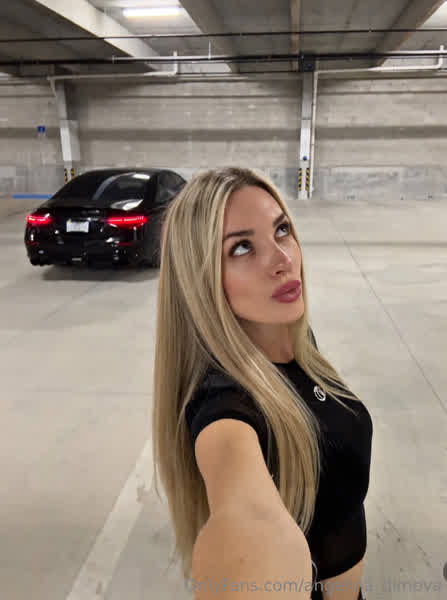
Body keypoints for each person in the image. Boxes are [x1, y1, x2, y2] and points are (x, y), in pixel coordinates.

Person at [151, 167, 373, 599]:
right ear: (200, 280)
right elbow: (244, 515)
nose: (282, 260)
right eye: (241, 248)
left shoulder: (287, 337)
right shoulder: (225, 407)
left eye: (282, 230)